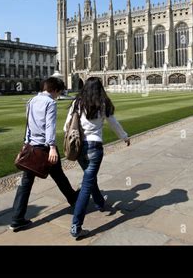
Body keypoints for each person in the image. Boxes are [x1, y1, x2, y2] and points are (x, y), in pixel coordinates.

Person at [9, 77, 79, 232]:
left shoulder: (31, 101)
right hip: (45, 148)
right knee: (59, 176)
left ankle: (17, 219)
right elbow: (50, 126)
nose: (58, 96)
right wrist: (52, 147)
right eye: (58, 93)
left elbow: (28, 124)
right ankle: (74, 199)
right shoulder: (50, 103)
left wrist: (25, 143)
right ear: (54, 90)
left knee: (27, 183)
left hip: (32, 146)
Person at [64, 77, 130, 239]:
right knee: (87, 184)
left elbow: (66, 126)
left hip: (79, 148)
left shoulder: (77, 103)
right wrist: (124, 137)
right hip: (94, 147)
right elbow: (113, 122)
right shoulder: (103, 103)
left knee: (89, 178)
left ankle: (100, 203)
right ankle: (76, 226)